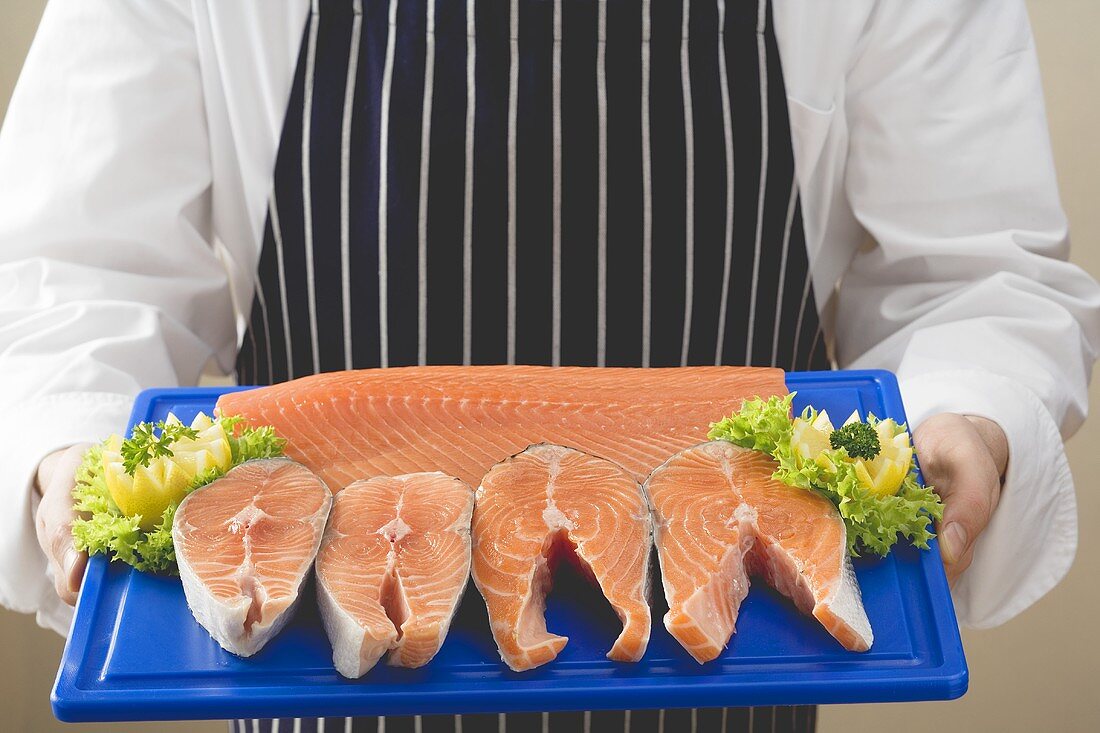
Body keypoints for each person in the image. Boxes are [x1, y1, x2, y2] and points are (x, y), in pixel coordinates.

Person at [2, 0, 1098, 731]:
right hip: (309, 642)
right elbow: (75, 267)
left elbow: (970, 273)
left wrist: (975, 407)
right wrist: (72, 441)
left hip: (716, 669)